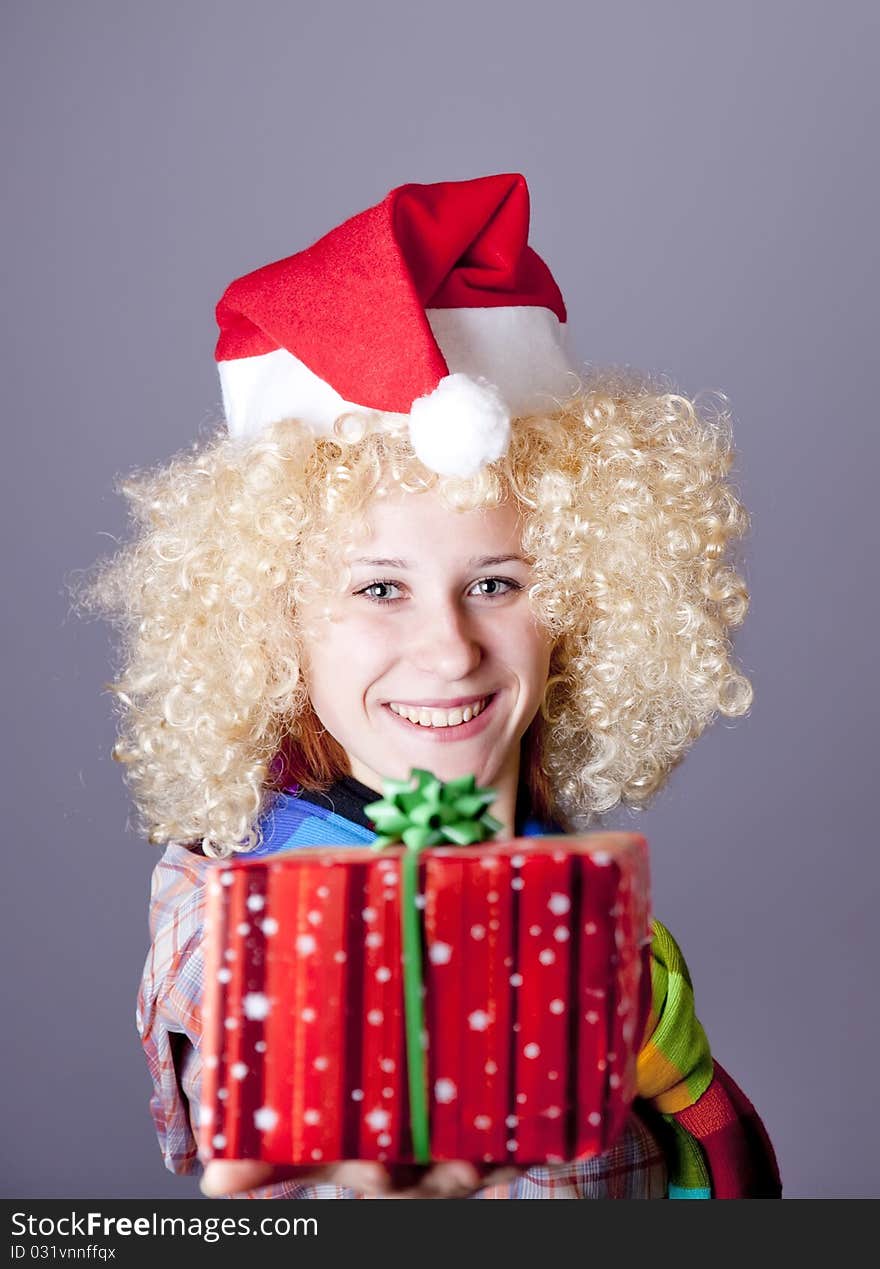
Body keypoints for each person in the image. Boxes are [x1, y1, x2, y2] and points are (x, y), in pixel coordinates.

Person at [82, 173, 780, 1199]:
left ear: (583, 596)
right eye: (378, 588)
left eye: (494, 583)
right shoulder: (255, 931)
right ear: (270, 620)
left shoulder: (542, 865)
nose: (449, 650)